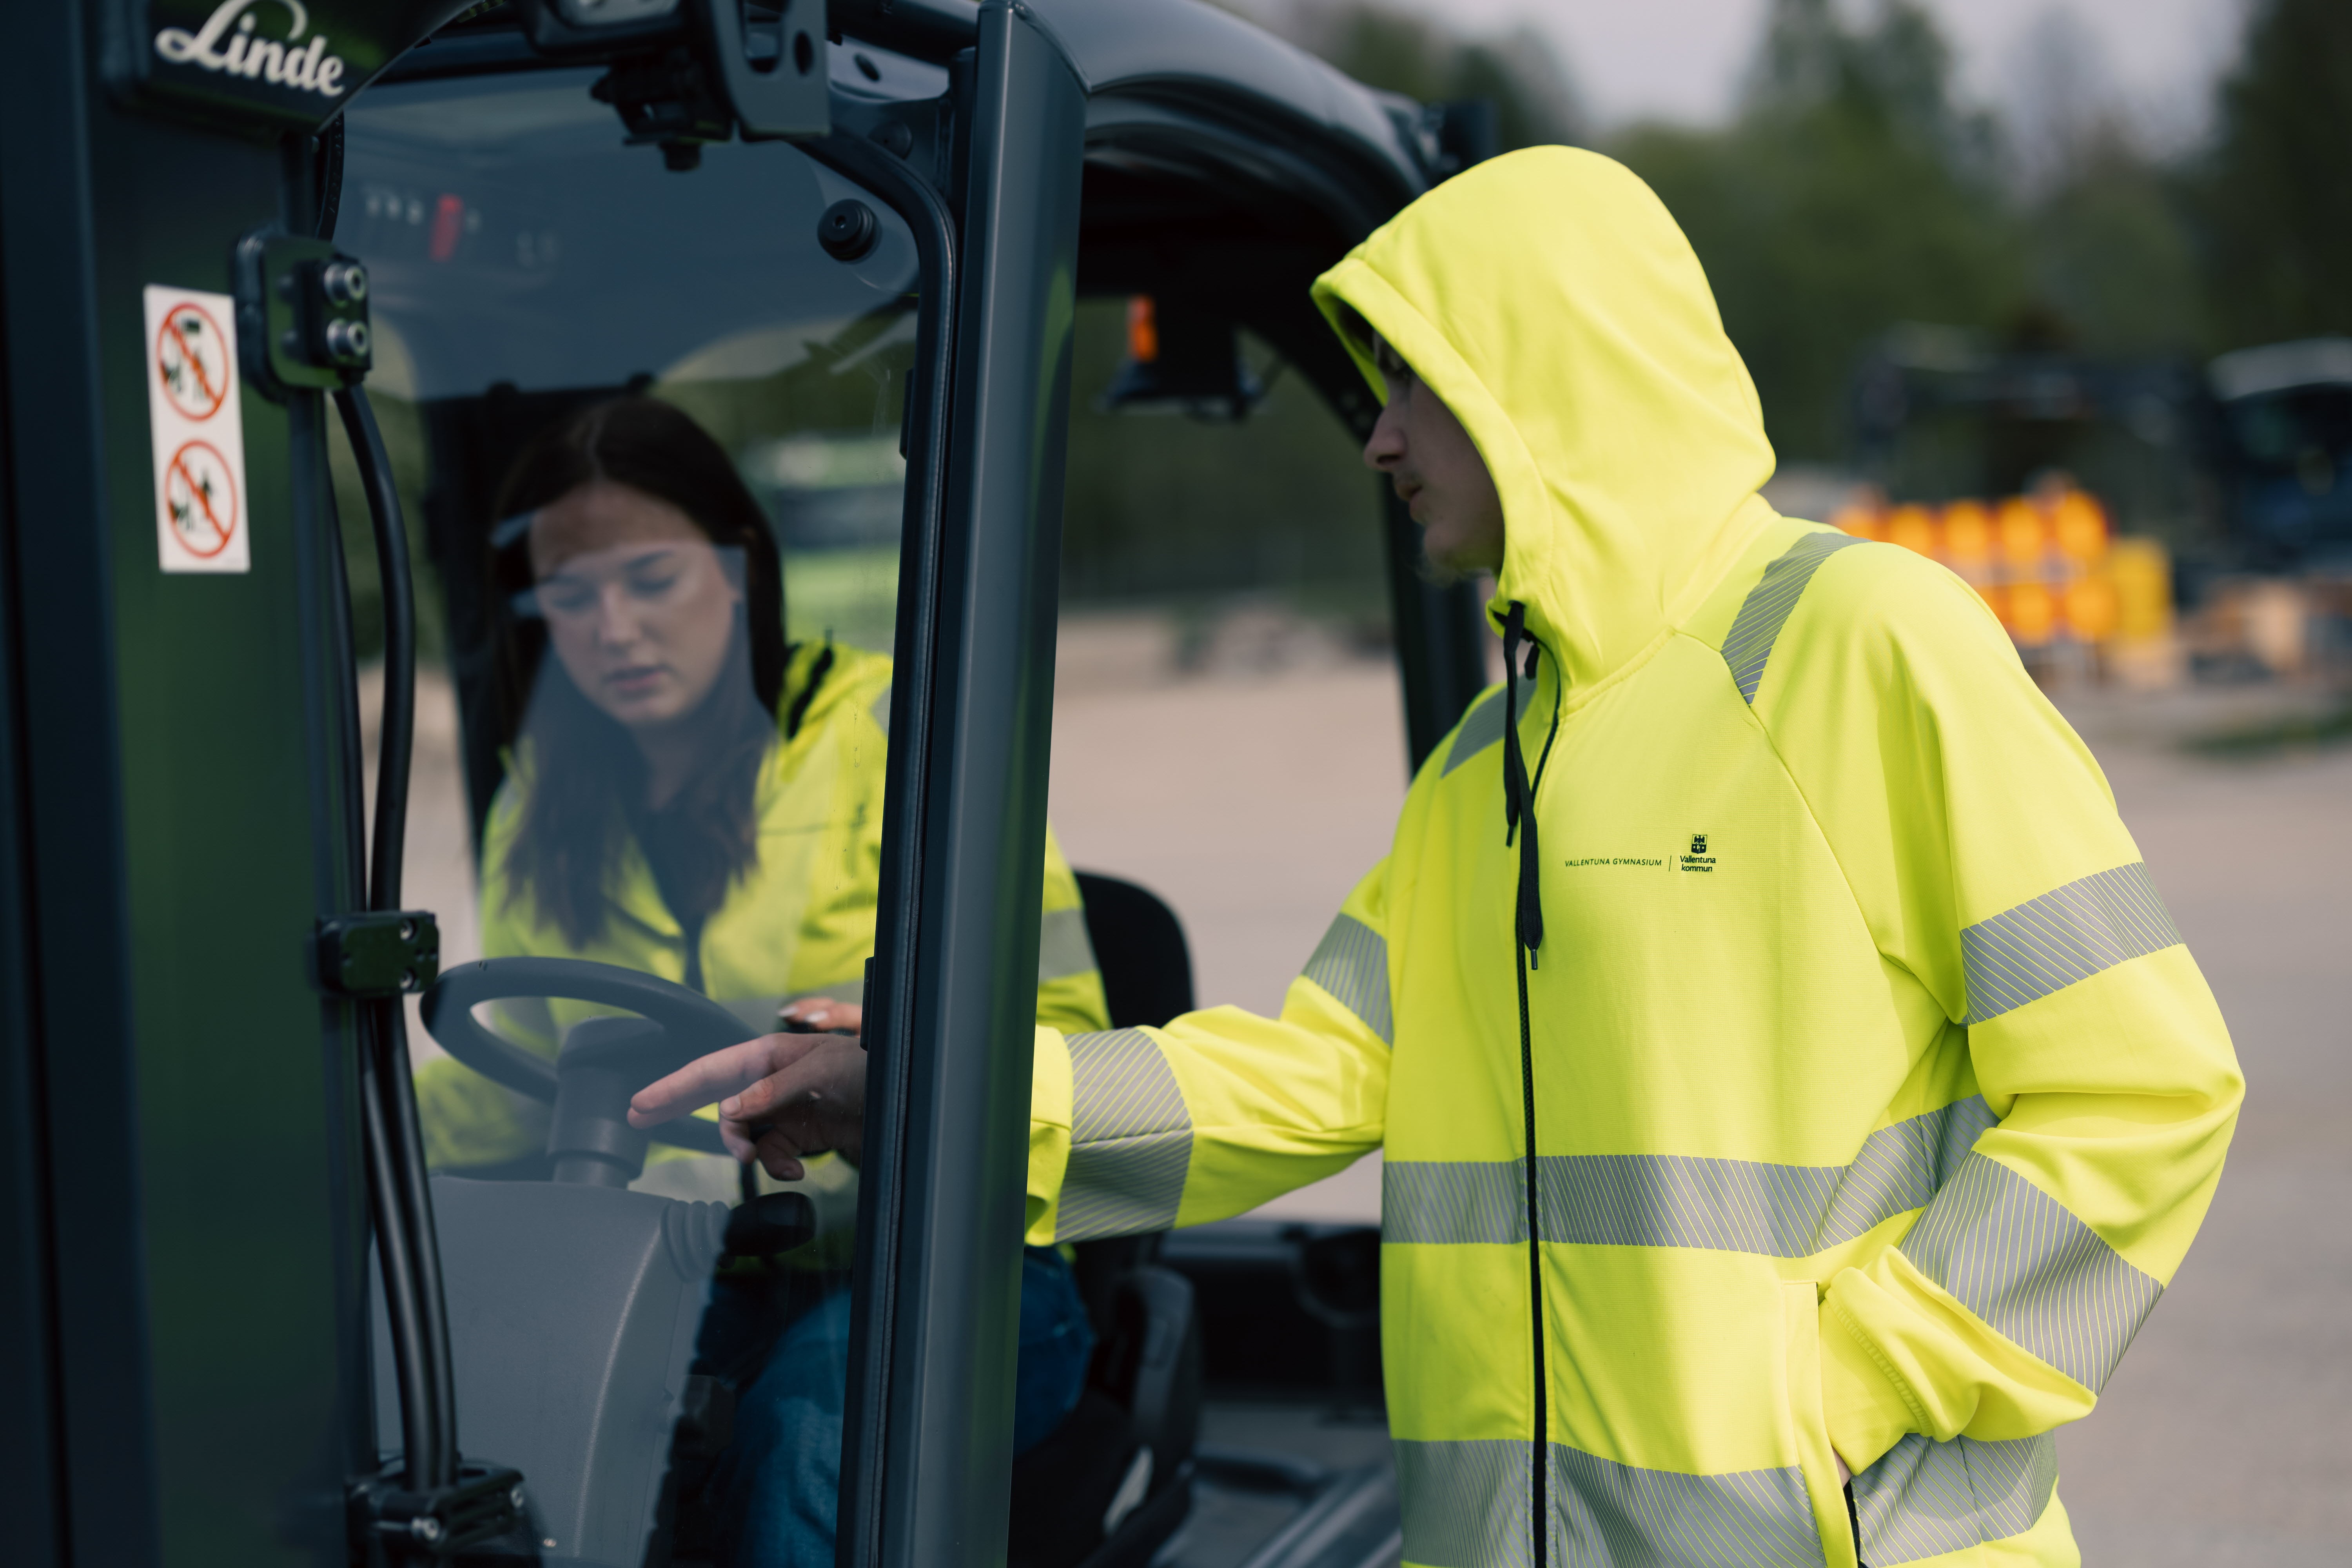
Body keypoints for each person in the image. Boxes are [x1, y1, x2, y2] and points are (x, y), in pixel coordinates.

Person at [630, 149, 2243, 1568]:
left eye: (1412, 382)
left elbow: (2143, 1086)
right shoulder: (1487, 764)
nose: (1379, 439)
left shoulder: (1859, 644)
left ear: (1545, 378)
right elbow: (1310, 1079)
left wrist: (1860, 1380)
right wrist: (932, 1095)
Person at [410, 396, 1103, 1566]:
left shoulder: (910, 734)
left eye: (651, 578)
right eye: (571, 597)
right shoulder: (545, 802)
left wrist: (881, 1055)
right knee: (467, 1424)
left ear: (738, 565)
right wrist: (315, 1153)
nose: (614, 629)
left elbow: (1067, 1040)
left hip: (941, 1267)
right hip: (679, 1269)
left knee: (804, 1431)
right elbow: (517, 1083)